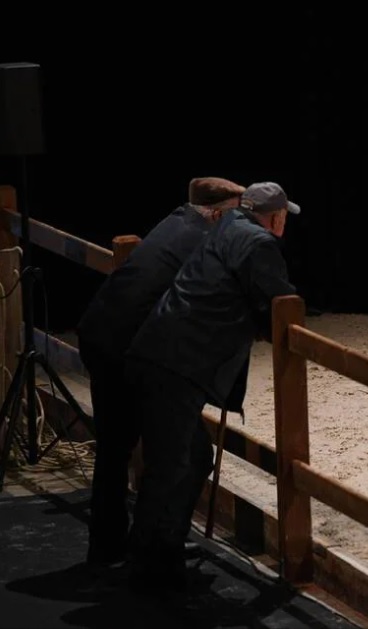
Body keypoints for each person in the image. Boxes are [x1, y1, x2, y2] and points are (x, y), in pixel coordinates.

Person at [123, 181, 299, 589]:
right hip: (177, 364)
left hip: (160, 354)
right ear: (274, 217)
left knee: (193, 459)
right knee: (171, 467)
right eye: (284, 216)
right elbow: (279, 303)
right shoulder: (259, 245)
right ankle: (148, 564)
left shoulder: (225, 228)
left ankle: (163, 546)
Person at [76, 176, 245, 567]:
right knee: (187, 456)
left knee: (116, 450)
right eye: (237, 215)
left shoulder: (174, 222)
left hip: (101, 335)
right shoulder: (205, 243)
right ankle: (154, 548)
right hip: (131, 353)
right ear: (218, 213)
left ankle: (109, 548)